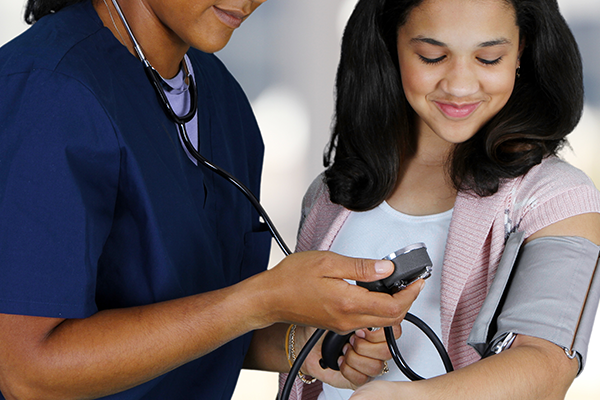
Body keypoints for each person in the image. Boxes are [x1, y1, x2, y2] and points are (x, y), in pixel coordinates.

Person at [0, 1, 422, 399]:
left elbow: (196, 317)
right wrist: (261, 299)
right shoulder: (49, 91)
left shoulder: (222, 98)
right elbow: (25, 372)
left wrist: (304, 344)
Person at [279, 0, 600, 399]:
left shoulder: (558, 197)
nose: (461, 85)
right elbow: (292, 342)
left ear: (522, 51)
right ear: (390, 45)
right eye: (432, 57)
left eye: (489, 58)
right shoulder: (331, 194)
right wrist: (325, 349)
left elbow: (547, 364)